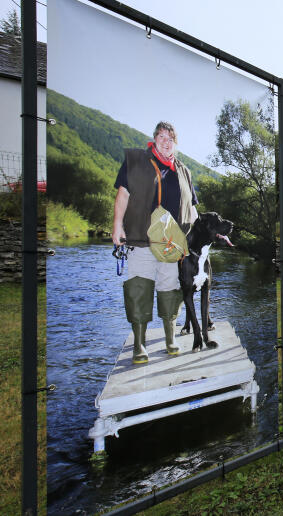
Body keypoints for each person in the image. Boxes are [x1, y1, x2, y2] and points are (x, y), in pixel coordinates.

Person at [111, 121, 199, 365]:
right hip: (141, 239)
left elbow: (192, 211)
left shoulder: (184, 171)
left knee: (170, 289)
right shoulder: (137, 162)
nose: (165, 140)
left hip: (172, 246)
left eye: (170, 137)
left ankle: (170, 339)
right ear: (154, 139)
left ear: (175, 143)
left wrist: (192, 242)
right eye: (161, 136)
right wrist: (117, 225)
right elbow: (123, 195)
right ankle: (139, 345)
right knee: (139, 288)